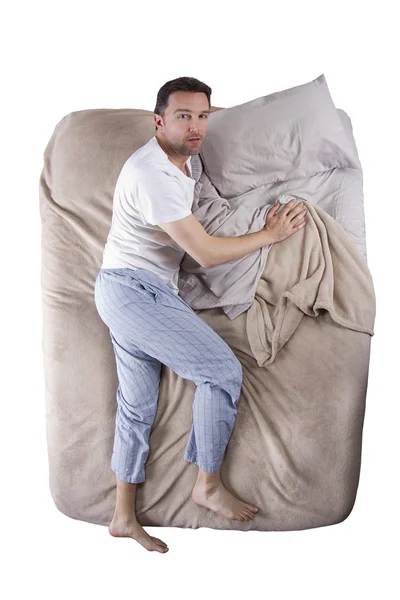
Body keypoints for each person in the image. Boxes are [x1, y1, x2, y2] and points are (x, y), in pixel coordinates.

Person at [94, 76, 307, 553]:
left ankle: (122, 517)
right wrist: (269, 235)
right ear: (158, 121)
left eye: (203, 116)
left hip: (130, 290)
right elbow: (207, 254)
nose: (195, 127)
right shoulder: (155, 175)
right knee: (221, 372)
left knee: (137, 406)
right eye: (183, 116)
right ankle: (206, 484)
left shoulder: (186, 160)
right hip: (135, 292)